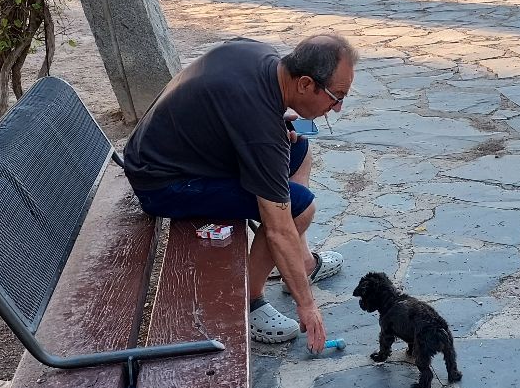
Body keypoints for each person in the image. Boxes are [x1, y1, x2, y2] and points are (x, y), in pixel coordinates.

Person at [122, 36, 357, 352]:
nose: (338, 107)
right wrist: (307, 305)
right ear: (304, 84)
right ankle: (248, 301)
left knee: (299, 149)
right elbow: (278, 227)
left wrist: (273, 129)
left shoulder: (261, 55)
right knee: (299, 209)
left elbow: (232, 110)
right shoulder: (261, 131)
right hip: (165, 184)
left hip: (169, 154)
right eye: (335, 96)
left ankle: (300, 264)